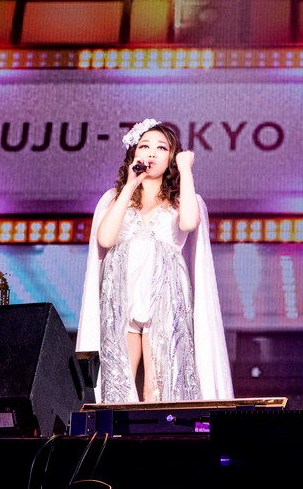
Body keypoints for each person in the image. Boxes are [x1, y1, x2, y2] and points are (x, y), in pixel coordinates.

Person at [77, 119, 233, 403]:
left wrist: (186, 170)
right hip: (120, 296)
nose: (151, 152)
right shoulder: (115, 198)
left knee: (158, 388)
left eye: (161, 148)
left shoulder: (182, 199)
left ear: (172, 157)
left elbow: (189, 223)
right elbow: (105, 239)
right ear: (133, 153)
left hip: (164, 296)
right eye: (144, 146)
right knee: (116, 383)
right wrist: (130, 185)